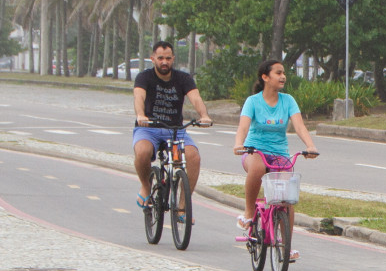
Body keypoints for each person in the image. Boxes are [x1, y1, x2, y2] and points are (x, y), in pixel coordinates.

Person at [231, 58, 320, 249]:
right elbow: (243, 127)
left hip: (279, 153)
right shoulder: (252, 101)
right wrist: (239, 144)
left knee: (287, 198)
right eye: (278, 73)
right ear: (265, 77)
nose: (283, 76)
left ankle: (286, 246)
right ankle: (248, 212)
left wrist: (310, 146)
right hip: (255, 150)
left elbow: (300, 126)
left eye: (284, 73)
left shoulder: (288, 101)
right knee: (257, 168)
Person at [131, 40, 212, 208]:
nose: (164, 62)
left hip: (175, 130)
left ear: (173, 58)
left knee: (194, 157)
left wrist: (204, 115)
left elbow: (195, 98)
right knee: (142, 152)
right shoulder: (144, 77)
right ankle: (146, 186)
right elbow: (139, 97)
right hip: (148, 128)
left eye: (168, 58)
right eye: (160, 58)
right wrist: (140, 115)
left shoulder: (183, 78)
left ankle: (183, 204)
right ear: (152, 59)